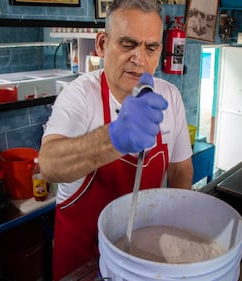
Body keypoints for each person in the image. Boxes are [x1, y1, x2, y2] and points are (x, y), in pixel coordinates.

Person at [38, 0, 193, 279]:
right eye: (127, 44)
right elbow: (48, 165)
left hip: (140, 262)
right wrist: (113, 139)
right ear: (101, 44)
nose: (139, 59)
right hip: (82, 264)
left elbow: (180, 169)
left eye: (151, 47)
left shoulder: (170, 97)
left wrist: (177, 230)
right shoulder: (79, 96)